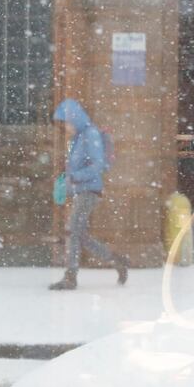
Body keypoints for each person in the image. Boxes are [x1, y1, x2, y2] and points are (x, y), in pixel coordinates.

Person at [49, 98, 129, 290]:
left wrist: (75, 177)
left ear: (75, 118)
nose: (66, 127)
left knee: (72, 230)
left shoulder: (90, 134)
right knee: (79, 234)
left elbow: (98, 165)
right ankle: (116, 260)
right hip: (81, 190)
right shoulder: (78, 138)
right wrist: (66, 184)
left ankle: (70, 277)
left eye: (67, 122)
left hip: (90, 191)